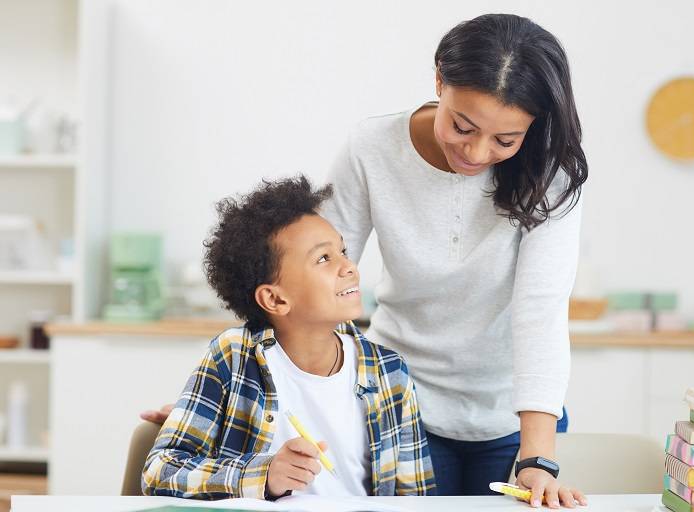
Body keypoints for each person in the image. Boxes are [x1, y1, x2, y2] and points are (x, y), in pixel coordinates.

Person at [144, 12, 587, 509]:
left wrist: (537, 457)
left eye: (506, 140)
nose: (478, 152)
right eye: (462, 126)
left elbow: (540, 312)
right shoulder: (374, 148)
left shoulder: (551, 175)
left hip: (513, 412)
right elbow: (300, 276)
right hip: (393, 401)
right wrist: (233, 399)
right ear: (439, 78)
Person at [141, 177, 435, 499]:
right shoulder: (233, 357)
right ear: (275, 299)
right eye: (324, 259)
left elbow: (416, 499)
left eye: (343, 251)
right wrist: (262, 474)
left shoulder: (390, 372)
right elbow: (160, 472)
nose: (348, 266)